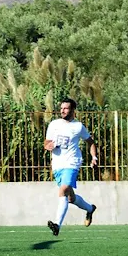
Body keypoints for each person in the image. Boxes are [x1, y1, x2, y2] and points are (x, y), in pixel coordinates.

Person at [44, 98, 98, 236]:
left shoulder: (78, 126)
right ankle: (90, 209)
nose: (62, 110)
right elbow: (46, 143)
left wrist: (94, 158)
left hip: (72, 162)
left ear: (73, 110)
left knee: (64, 188)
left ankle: (57, 224)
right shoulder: (54, 124)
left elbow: (90, 142)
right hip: (57, 164)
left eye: (66, 108)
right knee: (69, 198)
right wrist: (49, 146)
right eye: (61, 108)